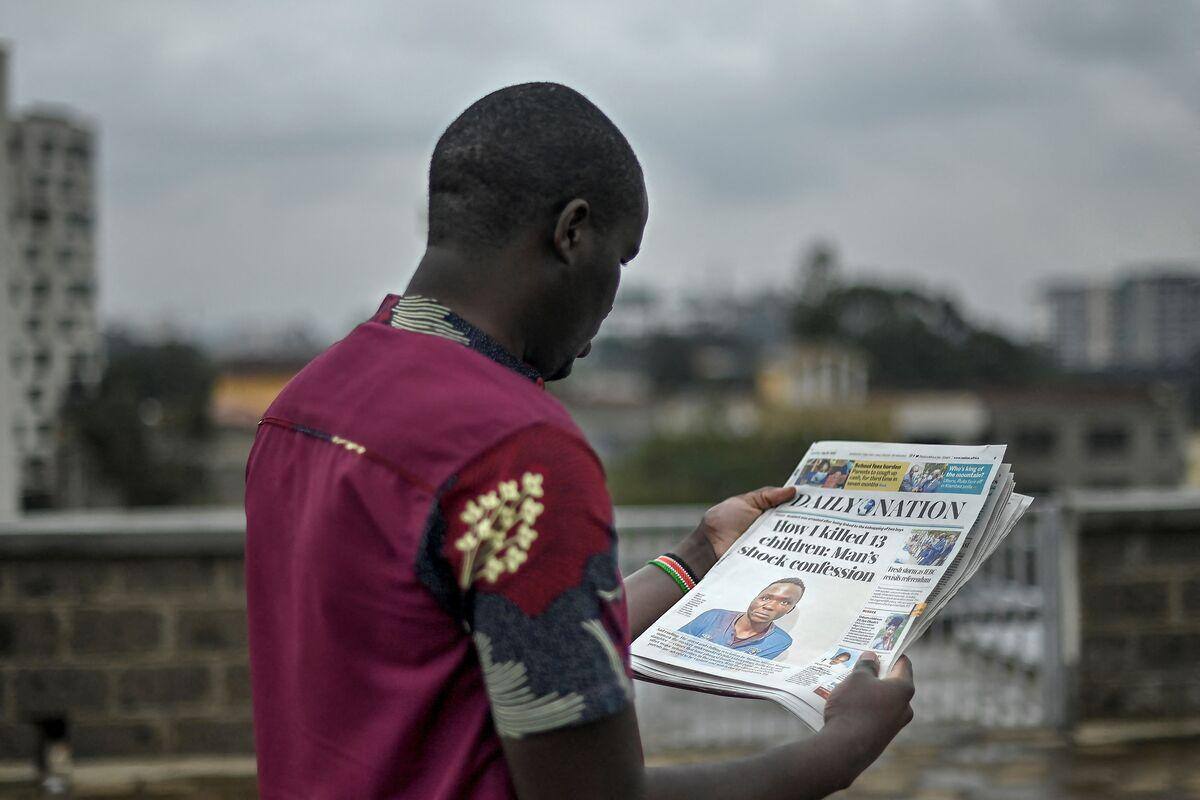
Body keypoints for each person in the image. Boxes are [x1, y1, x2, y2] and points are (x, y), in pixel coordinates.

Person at [244, 82, 914, 800]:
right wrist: (844, 749)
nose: (614, 297)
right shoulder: (516, 448)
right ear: (572, 232)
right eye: (620, 261)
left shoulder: (306, 404)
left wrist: (695, 557)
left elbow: (511, 647)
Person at [678, 579, 804, 660]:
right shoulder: (713, 616)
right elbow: (673, 646)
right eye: (765, 598)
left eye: (784, 602)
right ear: (755, 598)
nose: (769, 606)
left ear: (790, 610)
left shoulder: (780, 641)